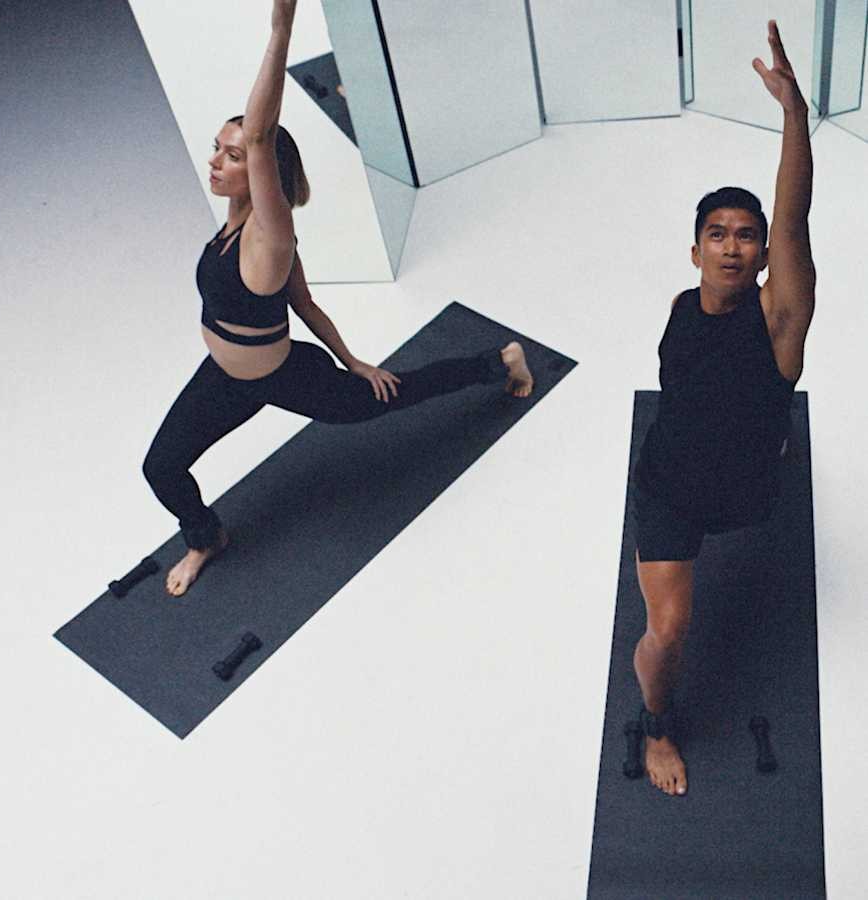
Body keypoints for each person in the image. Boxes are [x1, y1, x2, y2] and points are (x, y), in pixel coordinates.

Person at [142, 0, 534, 598]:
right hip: (224, 379)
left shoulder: (269, 237)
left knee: (382, 402)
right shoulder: (233, 228)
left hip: (284, 376)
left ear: (263, 170)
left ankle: (498, 362)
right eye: (217, 148)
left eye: (234, 153)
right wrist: (350, 354)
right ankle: (205, 537)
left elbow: (264, 131)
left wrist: (281, 27)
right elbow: (304, 305)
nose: (217, 161)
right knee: (160, 467)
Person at [630, 20, 816, 796]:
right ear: (696, 246)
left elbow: (795, 217)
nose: (734, 247)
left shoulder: (778, 317)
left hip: (745, 491)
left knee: (759, 459)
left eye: (749, 237)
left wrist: (794, 120)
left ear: (767, 253)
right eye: (718, 234)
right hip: (670, 485)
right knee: (669, 630)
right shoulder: (680, 303)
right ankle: (656, 728)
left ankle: (771, 443)